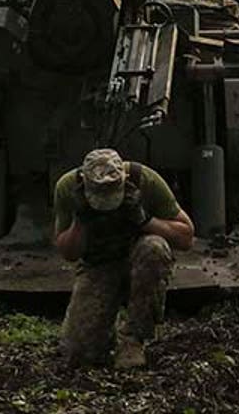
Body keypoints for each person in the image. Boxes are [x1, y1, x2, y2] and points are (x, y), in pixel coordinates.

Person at [52, 147, 195, 369]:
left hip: (139, 259)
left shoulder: (145, 179)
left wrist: (145, 220)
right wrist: (80, 221)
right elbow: (69, 253)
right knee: (78, 353)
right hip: (98, 265)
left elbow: (186, 238)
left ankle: (133, 338)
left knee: (154, 247)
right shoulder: (67, 188)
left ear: (125, 180)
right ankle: (104, 334)